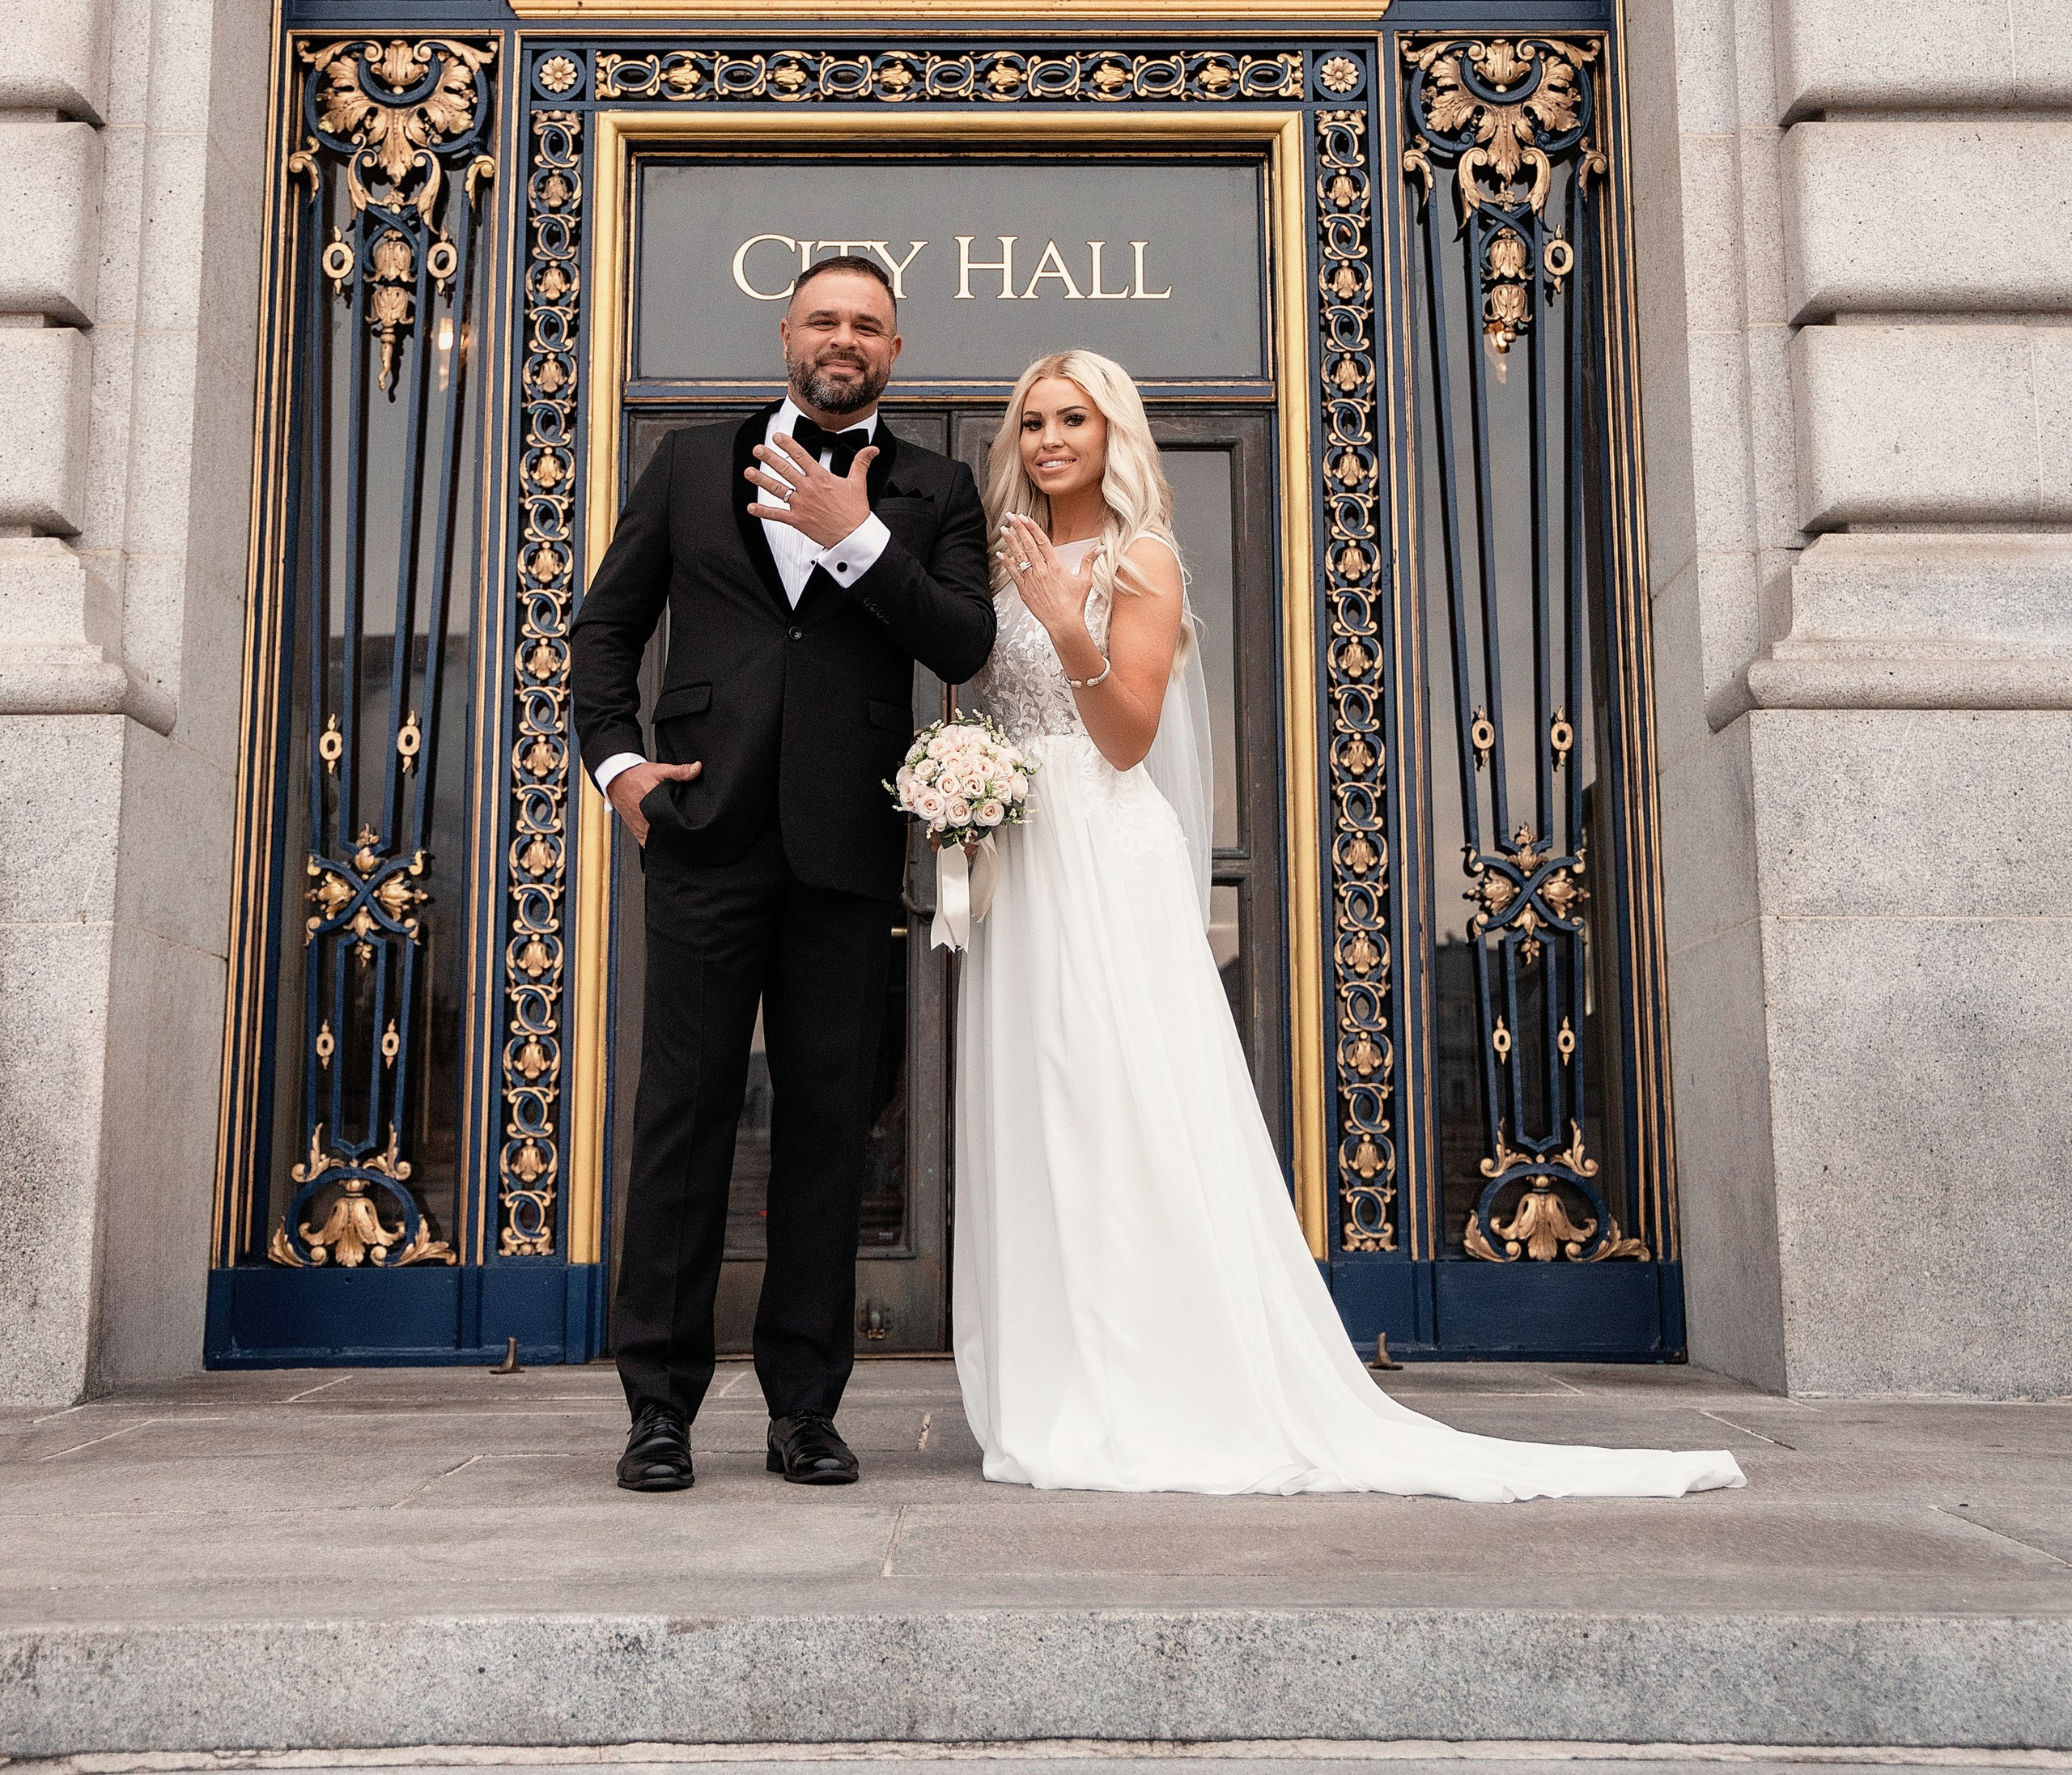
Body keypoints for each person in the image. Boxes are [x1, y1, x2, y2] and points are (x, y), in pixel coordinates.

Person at [955, 350, 1745, 1502]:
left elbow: (1125, 737)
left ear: (1115, 433)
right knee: (1038, 1102)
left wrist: (1059, 623)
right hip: (1027, 859)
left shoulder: (1145, 559)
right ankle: (1052, 1374)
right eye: (1031, 422)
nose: (1048, 441)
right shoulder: (1011, 561)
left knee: (1115, 1095)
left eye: (1073, 418)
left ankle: (1155, 1379)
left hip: (1099, 854)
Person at [571, 254, 996, 1494]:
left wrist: (857, 539)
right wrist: (619, 769)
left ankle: (805, 1411)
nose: (844, 339)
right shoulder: (693, 463)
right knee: (682, 1126)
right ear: (787, 333)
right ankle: (658, 1408)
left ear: (895, 351)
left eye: (868, 324)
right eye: (825, 319)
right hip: (702, 836)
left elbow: (963, 637)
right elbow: (606, 627)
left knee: (824, 1139)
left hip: (848, 848)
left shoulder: (935, 486)